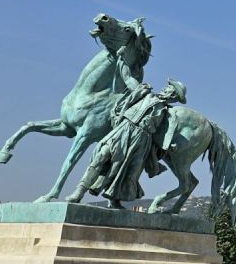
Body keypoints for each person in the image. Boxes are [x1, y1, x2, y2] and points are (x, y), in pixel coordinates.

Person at [76, 52, 186, 209]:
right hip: (124, 129)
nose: (165, 89)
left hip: (142, 140)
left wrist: (168, 147)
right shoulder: (144, 92)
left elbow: (164, 135)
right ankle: (79, 192)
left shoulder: (168, 114)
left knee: (127, 172)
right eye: (168, 87)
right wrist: (122, 59)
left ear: (173, 96)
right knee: (102, 155)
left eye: (170, 90)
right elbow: (128, 79)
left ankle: (115, 200)